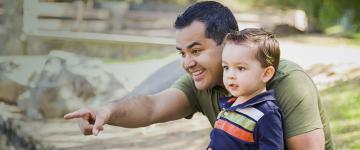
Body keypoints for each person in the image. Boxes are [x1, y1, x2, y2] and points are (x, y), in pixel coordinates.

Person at [64, 1, 333, 149]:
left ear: (228, 42)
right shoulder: (203, 82)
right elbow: (151, 107)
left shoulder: (286, 82)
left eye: (196, 50)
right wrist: (107, 112)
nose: (187, 63)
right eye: (182, 53)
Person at [207, 29, 283, 150]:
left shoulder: (266, 114)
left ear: (266, 74)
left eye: (241, 68)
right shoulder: (230, 104)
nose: (230, 75)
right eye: (226, 67)